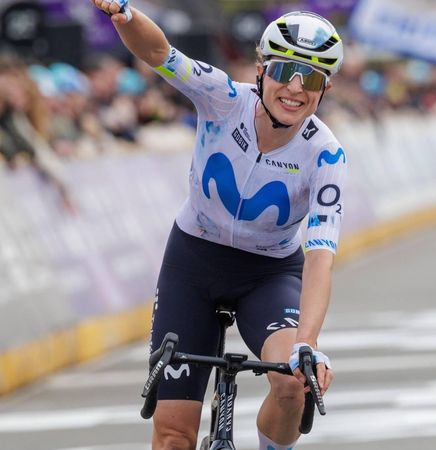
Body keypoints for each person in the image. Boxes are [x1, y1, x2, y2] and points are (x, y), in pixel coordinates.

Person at [91, 2, 346, 449]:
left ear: (324, 89)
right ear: (262, 69)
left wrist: (308, 342)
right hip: (194, 262)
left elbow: (321, 254)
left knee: (293, 383)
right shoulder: (221, 96)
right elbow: (159, 53)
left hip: (268, 274)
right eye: (285, 70)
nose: (294, 87)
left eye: (311, 78)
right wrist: (126, 15)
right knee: (173, 435)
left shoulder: (325, 153)